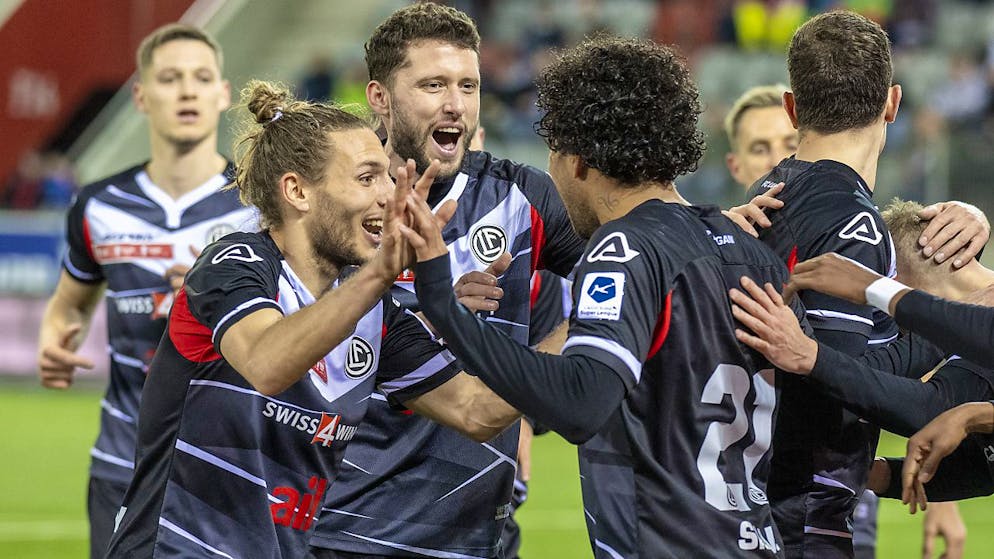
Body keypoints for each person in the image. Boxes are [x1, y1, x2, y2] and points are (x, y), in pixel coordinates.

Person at [401, 35, 796, 558]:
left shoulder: (623, 247)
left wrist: (443, 305)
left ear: (578, 161)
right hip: (757, 540)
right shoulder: (748, 249)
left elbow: (581, 404)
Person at [104, 81, 522, 558]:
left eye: (388, 178)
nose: (390, 196)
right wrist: (381, 274)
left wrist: (579, 340)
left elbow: (476, 410)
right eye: (367, 178)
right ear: (297, 191)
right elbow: (266, 363)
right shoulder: (233, 264)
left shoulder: (372, 311)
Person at [309, 5, 585, 559]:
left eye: (468, 85)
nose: (455, 103)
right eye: (433, 85)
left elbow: (618, 270)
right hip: (348, 527)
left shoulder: (521, 197)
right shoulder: (334, 201)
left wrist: (701, 232)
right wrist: (434, 311)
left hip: (478, 531)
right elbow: (296, 336)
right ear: (380, 97)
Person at [743, 12, 988, 558]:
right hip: (802, 514)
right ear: (893, 104)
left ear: (792, 108)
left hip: (756, 496)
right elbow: (836, 377)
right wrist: (950, 320)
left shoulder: (769, 194)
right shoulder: (852, 221)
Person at [35, 23, 256, 558]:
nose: (187, 91)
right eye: (170, 78)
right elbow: (68, 306)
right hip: (123, 461)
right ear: (140, 96)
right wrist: (54, 338)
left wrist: (215, 296)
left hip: (231, 461)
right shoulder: (98, 205)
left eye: (201, 78)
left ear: (222, 94)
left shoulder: (258, 205)